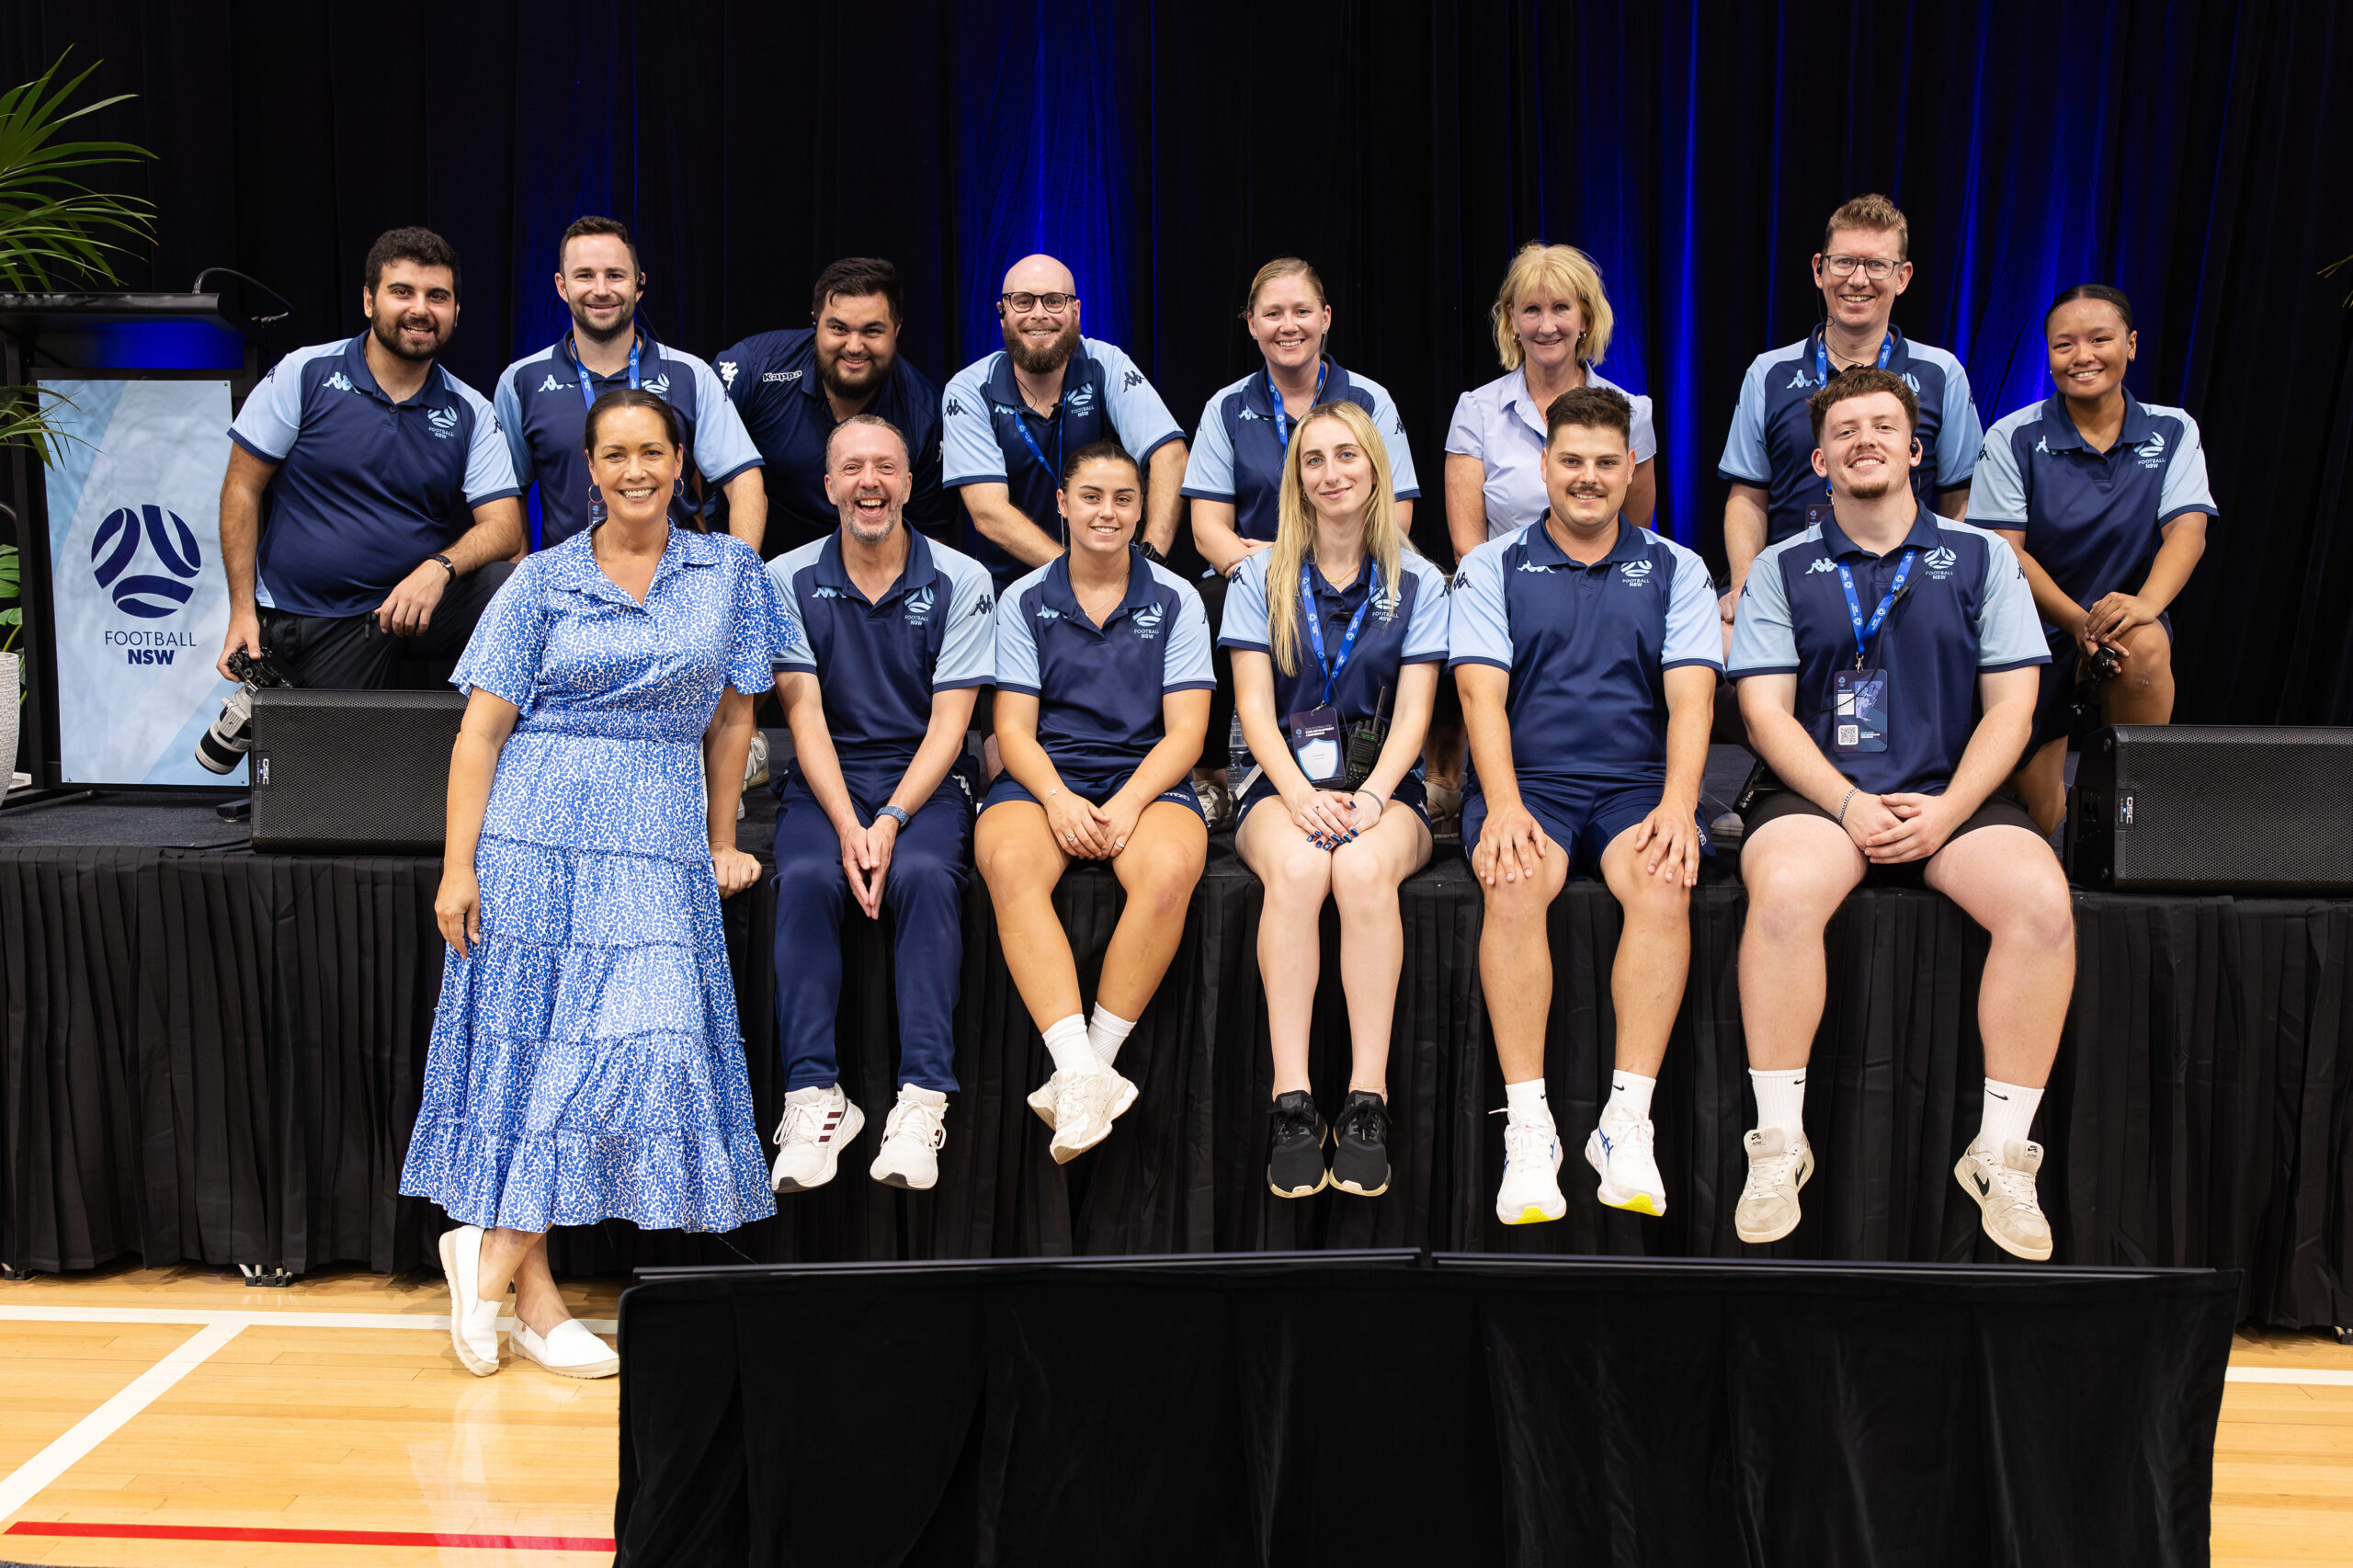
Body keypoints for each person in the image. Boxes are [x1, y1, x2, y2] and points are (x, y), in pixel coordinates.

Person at [401, 388, 789, 1378]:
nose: (633, 470)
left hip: (655, 835)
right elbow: (480, 732)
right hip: (537, 829)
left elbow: (735, 719)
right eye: (613, 454)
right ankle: (532, 1295)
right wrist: (459, 865)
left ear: (680, 460)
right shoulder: (539, 580)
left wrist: (717, 840)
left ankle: (486, 1251)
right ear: (590, 468)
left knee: (641, 1048)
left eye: (651, 451)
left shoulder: (730, 573)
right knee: (538, 1055)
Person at [1727, 367, 2072, 1262]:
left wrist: (1946, 810)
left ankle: (2000, 1155)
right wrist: (1844, 801)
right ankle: (1776, 1144)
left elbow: (2012, 710)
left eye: (1883, 426)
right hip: (1816, 793)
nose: (1865, 440)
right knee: (1787, 890)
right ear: (1818, 459)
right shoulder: (1780, 565)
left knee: (2041, 902)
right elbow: (1762, 712)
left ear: (1916, 448)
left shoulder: (1980, 556)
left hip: (1952, 790)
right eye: (1846, 431)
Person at [1450, 387, 1720, 1224]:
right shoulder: (1493, 565)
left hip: (1638, 781)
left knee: (1665, 879)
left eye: (1608, 463)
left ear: (1630, 468)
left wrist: (1680, 806)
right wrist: (1499, 805)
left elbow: (1691, 701)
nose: (1590, 478)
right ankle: (1528, 1127)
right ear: (1544, 467)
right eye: (1572, 461)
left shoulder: (1679, 566)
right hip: (1529, 781)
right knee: (1515, 879)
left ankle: (1624, 1121)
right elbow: (1479, 698)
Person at [1221, 402, 1448, 1199]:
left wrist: (1375, 798)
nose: (1331, 473)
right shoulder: (1258, 576)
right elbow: (1253, 707)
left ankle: (1365, 1099)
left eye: (1347, 456)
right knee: (1299, 871)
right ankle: (1292, 1100)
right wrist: (1298, 795)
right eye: (1313, 460)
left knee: (1356, 872)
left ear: (1376, 468)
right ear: (1297, 478)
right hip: (1279, 779)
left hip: (1386, 786)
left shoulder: (1420, 579)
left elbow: (1418, 713)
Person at [765, 415, 995, 1192]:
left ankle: (921, 1100)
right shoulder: (785, 578)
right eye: (853, 468)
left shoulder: (962, 579)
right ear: (828, 486)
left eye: (887, 467)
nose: (871, 481)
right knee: (806, 880)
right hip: (829, 775)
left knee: (925, 877)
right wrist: (846, 824)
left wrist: (891, 820)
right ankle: (814, 1099)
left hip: (923, 779)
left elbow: (951, 725)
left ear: (908, 482)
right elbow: (804, 718)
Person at [975, 442, 1212, 1161]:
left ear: (1142, 509)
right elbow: (1011, 729)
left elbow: (1188, 733)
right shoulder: (1023, 598)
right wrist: (1055, 799)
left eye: (1123, 499)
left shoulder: (1176, 598)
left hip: (1148, 776)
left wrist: (1133, 801)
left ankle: (1089, 1071)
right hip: (1046, 774)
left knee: (1169, 873)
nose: (1107, 512)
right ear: (1063, 504)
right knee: (1010, 865)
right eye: (1092, 497)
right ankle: (1082, 1072)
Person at [215, 226, 523, 689]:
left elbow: (505, 527)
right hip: (313, 616)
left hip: (413, 607)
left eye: (436, 296)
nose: (420, 309)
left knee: (510, 584)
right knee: (332, 761)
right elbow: (242, 486)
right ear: (368, 301)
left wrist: (437, 569)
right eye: (402, 292)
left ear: (455, 313)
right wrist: (241, 610)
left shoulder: (470, 409)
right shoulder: (305, 373)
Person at [1972, 285, 2214, 834]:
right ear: (2049, 357)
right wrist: (2078, 622)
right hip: (2031, 633)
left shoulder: (2173, 429)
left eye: (2099, 339)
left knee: (2146, 641)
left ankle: (2130, 818)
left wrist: (2140, 606)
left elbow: (2188, 531)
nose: (2082, 356)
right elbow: (2005, 552)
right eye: (2064, 345)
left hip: (2120, 623)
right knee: (2040, 819)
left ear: (2130, 344)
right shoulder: (2011, 435)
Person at [1717, 194, 1984, 647]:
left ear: (1903, 277)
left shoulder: (1941, 373)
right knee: (1715, 654)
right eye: (1844, 263)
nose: (1858, 280)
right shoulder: (1769, 372)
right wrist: (1747, 584)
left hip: (1909, 581)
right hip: (1792, 580)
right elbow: (1747, 496)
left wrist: (1956, 580)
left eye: (1877, 265)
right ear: (1819, 269)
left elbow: (1961, 497)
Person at [494, 216, 767, 551]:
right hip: (569, 588)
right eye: (585, 275)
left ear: (639, 284)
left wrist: (736, 579)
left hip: (682, 581)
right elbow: (508, 500)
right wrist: (522, 583)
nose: (601, 289)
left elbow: (744, 482)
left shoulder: (690, 373)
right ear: (562, 286)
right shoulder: (521, 381)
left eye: (615, 275)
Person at [943, 255, 1189, 590]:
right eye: (1023, 301)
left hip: (1117, 586)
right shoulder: (969, 389)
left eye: (1054, 301)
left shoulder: (1106, 364)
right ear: (1002, 314)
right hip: (1012, 590)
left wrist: (1150, 560)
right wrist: (1077, 574)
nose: (1039, 314)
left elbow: (1170, 454)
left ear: (1076, 311)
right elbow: (988, 512)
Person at [1185, 257, 1420, 575]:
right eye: (1273, 314)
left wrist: (1306, 565)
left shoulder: (1369, 400)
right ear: (1253, 324)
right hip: (1254, 577)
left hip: (1352, 576)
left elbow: (1395, 516)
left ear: (1325, 318)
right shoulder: (1224, 408)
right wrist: (1274, 572)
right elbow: (1208, 529)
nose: (1288, 325)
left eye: (1302, 311)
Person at [714, 256, 955, 559]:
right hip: (753, 567)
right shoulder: (755, 368)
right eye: (839, 329)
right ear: (815, 321)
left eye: (871, 331)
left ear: (897, 329)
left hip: (865, 583)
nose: (854, 346)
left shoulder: (926, 416)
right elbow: (688, 459)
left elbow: (932, 538)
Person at [1444, 243, 1656, 558]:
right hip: (1505, 599)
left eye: (1560, 308)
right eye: (1532, 310)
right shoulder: (1476, 412)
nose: (1546, 326)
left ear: (1584, 318)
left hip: (1604, 596)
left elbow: (1635, 537)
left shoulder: (1631, 413)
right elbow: (1468, 551)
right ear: (1512, 319)